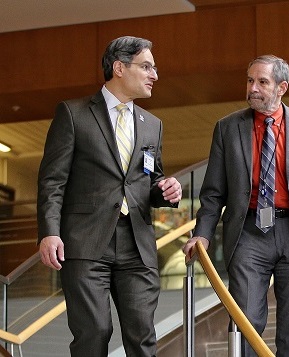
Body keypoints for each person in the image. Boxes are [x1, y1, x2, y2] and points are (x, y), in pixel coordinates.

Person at [182, 54, 289, 356]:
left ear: (282, 87)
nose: (252, 88)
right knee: (245, 322)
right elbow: (213, 192)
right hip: (249, 234)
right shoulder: (227, 128)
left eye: (262, 82)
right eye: (249, 80)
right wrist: (202, 233)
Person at [37, 36, 182, 357]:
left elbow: (150, 179)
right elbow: (52, 181)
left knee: (142, 333)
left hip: (137, 245)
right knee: (95, 332)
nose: (154, 75)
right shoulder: (73, 114)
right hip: (86, 243)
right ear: (119, 67)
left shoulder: (152, 124)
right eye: (146, 66)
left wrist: (166, 190)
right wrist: (49, 233)